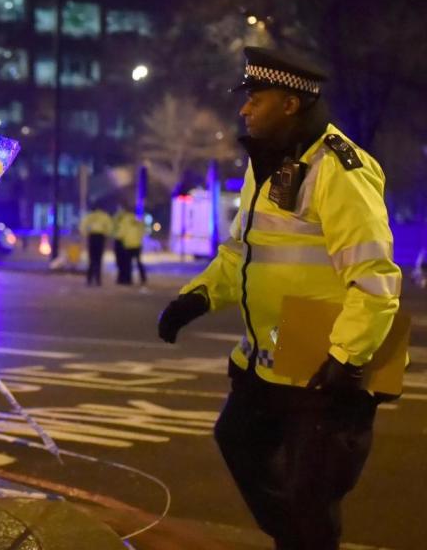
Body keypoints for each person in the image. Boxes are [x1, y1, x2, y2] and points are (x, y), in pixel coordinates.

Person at [157, 47, 401, 550]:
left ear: (290, 104)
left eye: (256, 98)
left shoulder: (340, 171)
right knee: (239, 443)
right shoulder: (266, 164)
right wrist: (196, 298)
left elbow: (375, 278)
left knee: (310, 497)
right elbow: (241, 253)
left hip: (323, 361)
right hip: (267, 356)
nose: (244, 109)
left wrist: (346, 357)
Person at [79, 202, 113, 286]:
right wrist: (106, 235)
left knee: (92, 258)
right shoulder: (105, 216)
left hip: (92, 236)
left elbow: (83, 226)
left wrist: (86, 234)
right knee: (98, 259)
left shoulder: (90, 216)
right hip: (100, 237)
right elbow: (109, 227)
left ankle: (89, 279)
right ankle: (98, 279)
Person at [115, 206, 147, 286]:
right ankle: (143, 277)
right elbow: (142, 231)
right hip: (137, 244)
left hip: (128, 245)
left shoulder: (124, 220)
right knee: (139, 262)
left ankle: (129, 280)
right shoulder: (137, 220)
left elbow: (121, 233)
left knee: (128, 264)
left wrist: (117, 238)